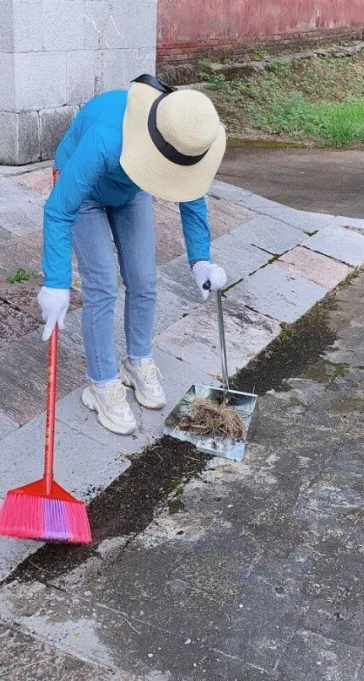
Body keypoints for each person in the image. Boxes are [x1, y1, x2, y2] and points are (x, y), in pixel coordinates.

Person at [37, 74, 229, 436]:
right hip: (85, 190)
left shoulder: (179, 136)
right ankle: (102, 383)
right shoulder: (106, 139)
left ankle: (137, 362)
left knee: (144, 278)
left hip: (133, 186)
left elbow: (191, 193)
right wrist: (56, 282)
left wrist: (200, 258)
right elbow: (59, 209)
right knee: (103, 286)